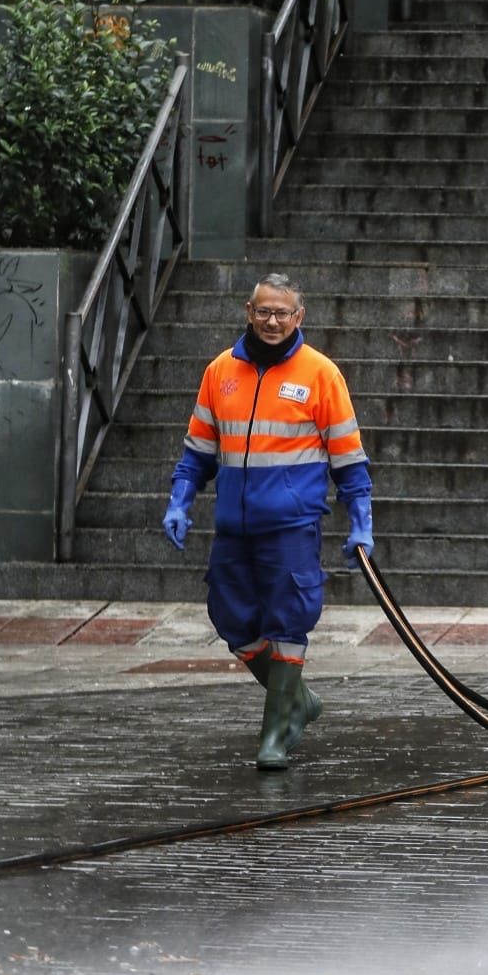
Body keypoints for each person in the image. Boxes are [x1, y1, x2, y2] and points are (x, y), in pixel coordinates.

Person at [161, 273, 374, 770]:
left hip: (291, 524)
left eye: (282, 313)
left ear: (299, 317)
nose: (272, 321)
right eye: (263, 312)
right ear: (247, 312)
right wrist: (180, 500)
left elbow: (349, 460)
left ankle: (276, 733)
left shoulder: (321, 375)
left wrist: (361, 519)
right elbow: (197, 451)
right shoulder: (220, 372)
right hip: (234, 525)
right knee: (230, 618)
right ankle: (297, 698)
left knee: (288, 619)